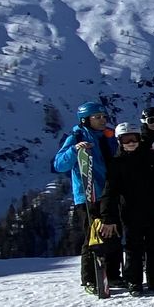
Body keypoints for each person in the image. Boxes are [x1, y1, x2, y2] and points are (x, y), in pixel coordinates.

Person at [52, 100, 119, 293]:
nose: (101, 120)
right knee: (93, 236)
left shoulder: (109, 136)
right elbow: (59, 164)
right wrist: (75, 150)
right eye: (97, 117)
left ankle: (113, 275)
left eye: (103, 117)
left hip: (109, 193)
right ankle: (89, 278)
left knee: (113, 232)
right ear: (85, 119)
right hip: (87, 195)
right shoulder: (77, 136)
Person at [99, 122, 154, 293]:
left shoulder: (152, 158)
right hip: (130, 213)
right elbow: (109, 193)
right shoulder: (117, 164)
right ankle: (134, 281)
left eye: (134, 138)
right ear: (119, 141)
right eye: (126, 139)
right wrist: (107, 217)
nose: (131, 142)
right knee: (133, 248)